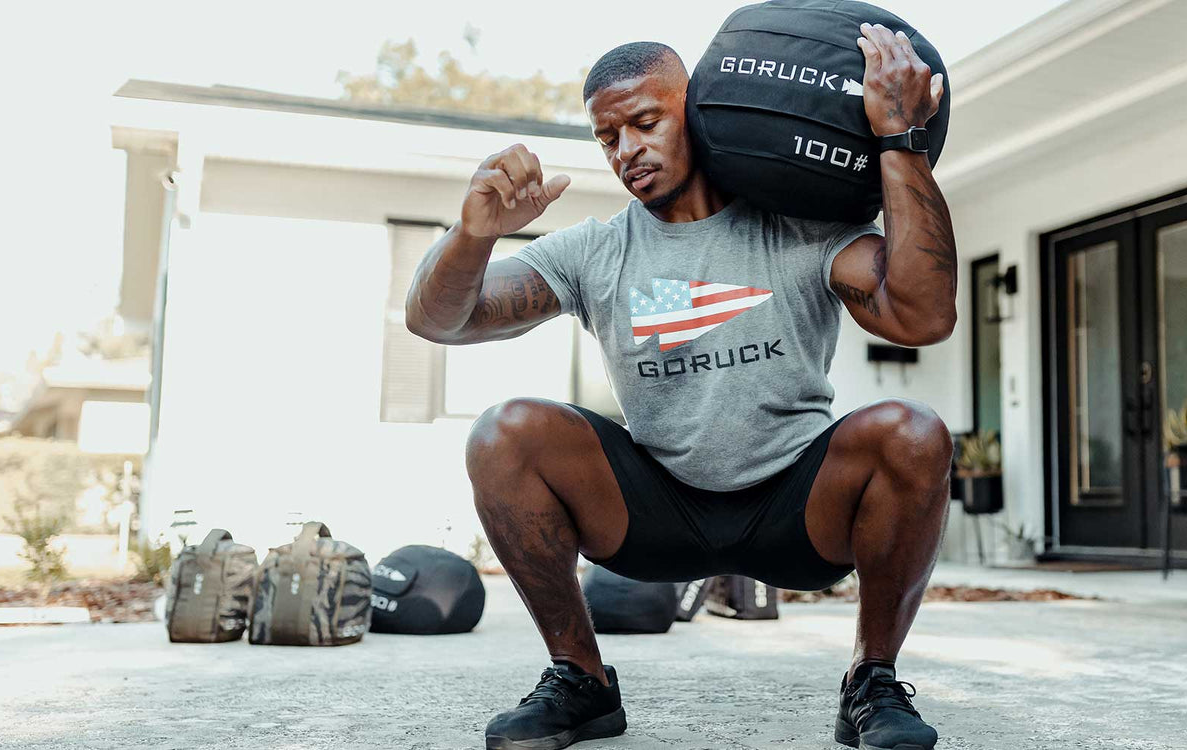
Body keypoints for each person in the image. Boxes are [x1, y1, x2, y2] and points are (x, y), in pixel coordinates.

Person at [407, 23, 956, 750]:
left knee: (912, 432)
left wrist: (901, 143)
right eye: (608, 137)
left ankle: (873, 681)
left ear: (697, 111)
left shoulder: (800, 227)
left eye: (645, 121)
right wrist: (473, 236)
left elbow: (925, 315)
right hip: (654, 512)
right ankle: (581, 680)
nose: (626, 150)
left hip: (796, 511)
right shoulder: (594, 249)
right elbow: (440, 321)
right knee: (505, 431)